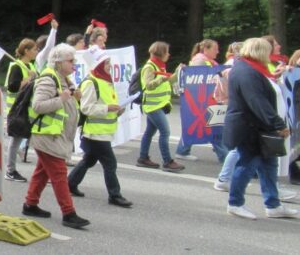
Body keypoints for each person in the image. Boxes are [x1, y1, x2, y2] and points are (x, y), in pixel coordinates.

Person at [224, 38, 298, 219]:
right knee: (247, 164)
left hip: (257, 126)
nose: (270, 56)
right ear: (260, 52)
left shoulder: (249, 68)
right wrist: (278, 124)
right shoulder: (247, 72)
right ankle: (235, 203)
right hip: (251, 127)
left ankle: (273, 204)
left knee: (268, 165)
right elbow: (257, 102)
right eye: (267, 51)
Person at [21, 43, 90, 229]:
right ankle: (69, 213)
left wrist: (74, 96)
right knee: (59, 174)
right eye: (70, 61)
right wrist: (63, 99)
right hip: (47, 135)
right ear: (58, 62)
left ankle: (30, 204)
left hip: (54, 135)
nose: (73, 64)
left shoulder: (63, 78)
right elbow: (38, 106)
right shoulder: (48, 79)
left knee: (42, 172)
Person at [67, 48, 133, 208]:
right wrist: (108, 109)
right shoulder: (91, 82)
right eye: (107, 63)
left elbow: (105, 106)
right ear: (99, 65)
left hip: (101, 133)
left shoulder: (105, 82)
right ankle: (114, 195)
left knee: (88, 160)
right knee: (110, 163)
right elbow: (86, 108)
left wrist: (117, 110)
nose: (110, 66)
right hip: (95, 133)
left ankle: (69, 184)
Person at [176, 39, 228, 162]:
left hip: (206, 100)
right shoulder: (200, 62)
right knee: (214, 126)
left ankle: (182, 150)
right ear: (206, 49)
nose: (218, 51)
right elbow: (200, 82)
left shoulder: (206, 61)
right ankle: (224, 156)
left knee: (203, 125)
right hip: (204, 100)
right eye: (215, 49)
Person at [136, 41, 185, 172]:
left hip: (156, 105)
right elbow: (148, 85)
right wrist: (161, 79)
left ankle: (143, 158)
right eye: (167, 52)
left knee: (149, 132)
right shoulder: (150, 67)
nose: (169, 54)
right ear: (161, 53)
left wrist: (177, 72)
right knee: (165, 132)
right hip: (153, 106)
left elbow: (168, 80)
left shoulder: (159, 66)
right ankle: (167, 161)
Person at [5, 38, 38, 182]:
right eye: (35, 49)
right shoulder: (17, 67)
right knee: (15, 141)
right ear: (26, 51)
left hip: (28, 109)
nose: (37, 52)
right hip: (17, 109)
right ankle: (10, 170)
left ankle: (44, 171)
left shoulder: (31, 65)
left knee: (29, 140)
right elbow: (12, 86)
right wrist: (28, 80)